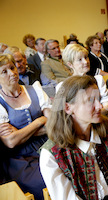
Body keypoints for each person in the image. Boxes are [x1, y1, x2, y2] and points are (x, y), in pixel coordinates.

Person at [40, 75, 108, 200]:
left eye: (98, 99)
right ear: (68, 107)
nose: (99, 106)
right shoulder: (51, 155)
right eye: (90, 100)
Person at [0, 54, 51, 200]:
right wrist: (39, 121)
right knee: (44, 182)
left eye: (12, 67)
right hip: (21, 158)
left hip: (48, 146)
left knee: (71, 170)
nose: (12, 72)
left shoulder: (34, 89)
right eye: (4, 71)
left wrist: (20, 133)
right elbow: (10, 142)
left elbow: (53, 123)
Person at [56, 44, 108, 115]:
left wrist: (92, 116)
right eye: (80, 60)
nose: (86, 62)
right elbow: (61, 114)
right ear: (70, 64)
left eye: (86, 57)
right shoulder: (62, 86)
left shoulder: (98, 80)